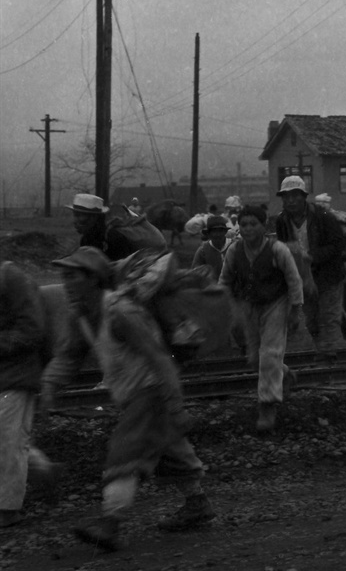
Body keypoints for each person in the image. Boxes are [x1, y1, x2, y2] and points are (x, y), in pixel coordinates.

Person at [41, 246, 214, 551]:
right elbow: (69, 356)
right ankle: (197, 503)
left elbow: (160, 358)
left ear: (93, 279)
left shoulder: (121, 313)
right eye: (63, 276)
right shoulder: (81, 316)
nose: (66, 283)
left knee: (125, 452)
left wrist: (175, 405)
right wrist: (50, 385)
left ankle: (110, 524)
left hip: (151, 392)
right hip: (135, 395)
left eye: (72, 276)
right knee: (169, 450)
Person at [218, 204, 305, 434]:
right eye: (243, 224)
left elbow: (294, 280)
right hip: (249, 305)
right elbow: (224, 281)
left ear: (263, 226)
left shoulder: (278, 250)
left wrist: (295, 310)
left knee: (269, 355)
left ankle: (267, 408)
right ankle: (285, 374)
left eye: (252, 224)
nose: (247, 229)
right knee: (255, 359)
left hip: (276, 304)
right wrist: (225, 309)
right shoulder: (234, 251)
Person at [0, 261, 63, 529]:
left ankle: (7, 509)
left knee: (8, 441)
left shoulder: (10, 277)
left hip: (14, 374)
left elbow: (32, 330)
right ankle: (46, 472)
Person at [274, 175, 346, 358]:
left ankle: (328, 354)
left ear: (303, 196)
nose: (290, 201)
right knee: (312, 319)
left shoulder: (323, 217)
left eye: (294, 195)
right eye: (286, 196)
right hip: (304, 278)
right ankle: (321, 350)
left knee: (328, 317)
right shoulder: (282, 221)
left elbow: (338, 245)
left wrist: (313, 257)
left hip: (328, 274)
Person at [68, 193, 134, 261]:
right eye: (75, 215)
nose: (75, 221)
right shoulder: (85, 240)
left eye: (79, 216)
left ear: (94, 217)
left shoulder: (114, 239)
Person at [190, 214, 230, 280]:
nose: (218, 234)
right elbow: (195, 273)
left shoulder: (234, 247)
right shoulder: (203, 251)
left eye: (220, 231)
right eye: (214, 231)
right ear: (208, 234)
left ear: (225, 232)